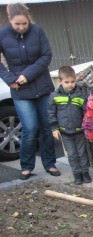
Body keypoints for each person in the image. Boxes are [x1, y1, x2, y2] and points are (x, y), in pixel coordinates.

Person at [0, 3, 60, 180]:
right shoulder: (2, 35)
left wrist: (27, 75)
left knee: (46, 126)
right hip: (20, 89)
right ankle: (26, 166)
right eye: (17, 24)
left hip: (41, 84)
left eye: (24, 24)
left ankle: (50, 164)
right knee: (30, 127)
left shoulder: (38, 31)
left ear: (28, 20)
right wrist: (10, 79)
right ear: (10, 20)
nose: (21, 27)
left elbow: (46, 56)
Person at [48, 66, 90, 185]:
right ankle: (77, 174)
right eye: (67, 82)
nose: (70, 84)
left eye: (72, 82)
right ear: (60, 81)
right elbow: (51, 113)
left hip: (79, 131)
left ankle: (85, 173)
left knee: (82, 153)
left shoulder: (80, 95)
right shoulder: (55, 96)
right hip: (65, 132)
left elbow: (86, 112)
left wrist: (87, 127)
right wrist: (54, 129)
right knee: (72, 154)